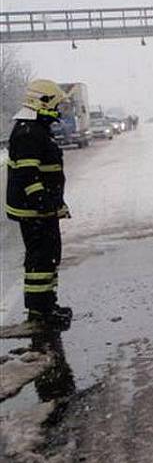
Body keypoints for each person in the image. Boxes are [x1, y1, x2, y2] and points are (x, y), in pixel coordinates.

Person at [5, 79, 73, 327]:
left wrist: (53, 202)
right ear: (42, 103)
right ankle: (39, 312)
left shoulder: (37, 129)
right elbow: (27, 173)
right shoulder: (28, 133)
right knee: (40, 260)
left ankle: (48, 304)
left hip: (43, 209)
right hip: (33, 210)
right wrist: (41, 199)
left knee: (50, 256)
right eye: (56, 105)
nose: (58, 111)